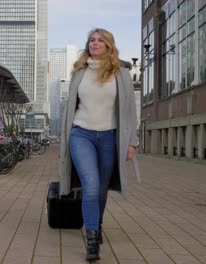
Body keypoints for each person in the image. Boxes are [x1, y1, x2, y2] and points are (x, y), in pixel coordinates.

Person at [59, 28, 141, 261]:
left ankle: (98, 222)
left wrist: (132, 142)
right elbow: (70, 107)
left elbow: (129, 110)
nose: (94, 43)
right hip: (80, 134)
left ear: (108, 45)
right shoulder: (79, 72)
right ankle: (92, 239)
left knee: (102, 188)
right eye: (91, 40)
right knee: (91, 185)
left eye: (100, 40)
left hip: (109, 137)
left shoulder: (121, 73)